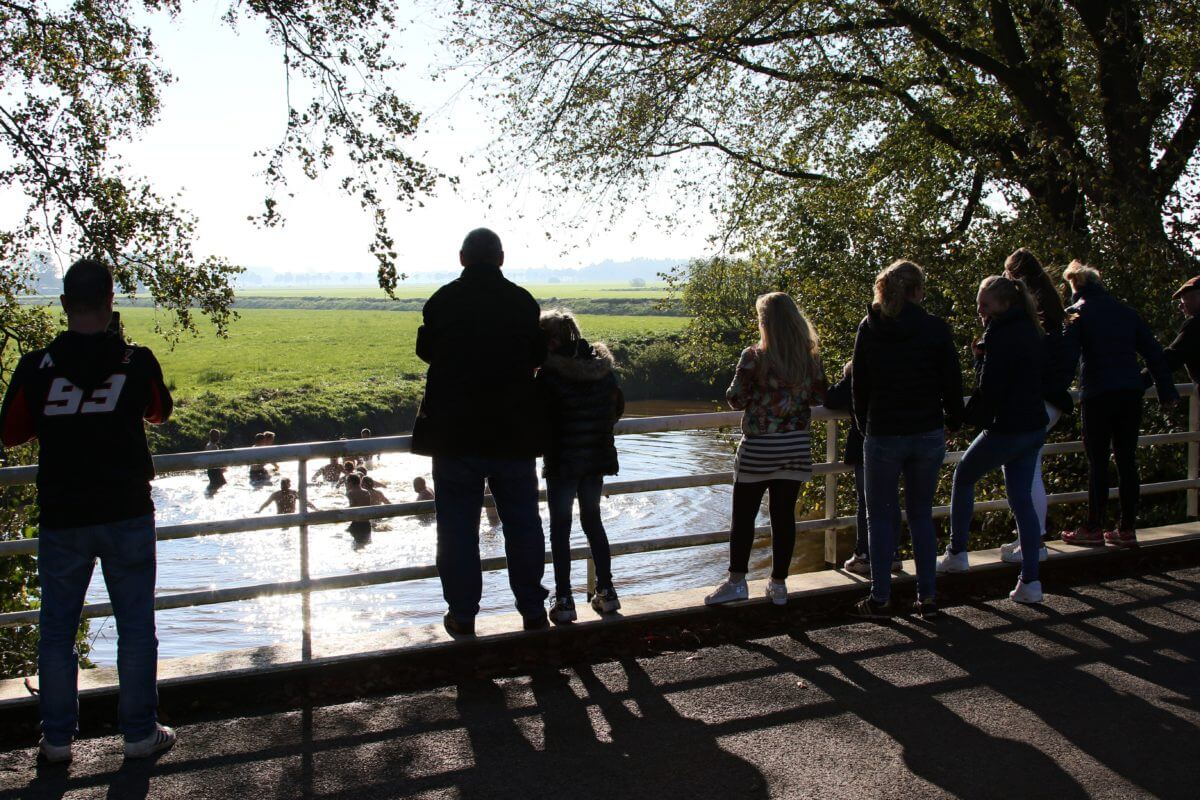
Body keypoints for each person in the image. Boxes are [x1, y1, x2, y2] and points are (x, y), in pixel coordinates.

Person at [0, 258, 176, 762]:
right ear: (110, 302)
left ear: (62, 305)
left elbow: (11, 433)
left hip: (63, 515)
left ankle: (57, 741)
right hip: (126, 512)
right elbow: (159, 413)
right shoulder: (135, 360)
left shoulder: (36, 366)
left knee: (56, 630)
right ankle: (139, 733)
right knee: (137, 627)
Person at [412, 227, 550, 636]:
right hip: (512, 433)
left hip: (454, 436)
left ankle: (463, 613)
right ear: (501, 259)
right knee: (523, 525)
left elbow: (426, 352)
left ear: (462, 259)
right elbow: (538, 356)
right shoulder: (522, 302)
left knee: (456, 529)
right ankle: (531, 610)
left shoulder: (442, 300)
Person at [850, 260, 963, 619]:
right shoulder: (935, 329)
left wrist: (864, 425)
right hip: (927, 431)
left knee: (881, 518)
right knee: (920, 515)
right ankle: (927, 598)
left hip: (883, 431)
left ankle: (880, 598)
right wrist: (954, 421)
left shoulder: (869, 328)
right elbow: (951, 381)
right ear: (917, 291)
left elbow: (859, 386)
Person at [705, 292, 825, 607]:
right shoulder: (809, 357)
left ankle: (736, 582)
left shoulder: (754, 356)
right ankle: (779, 584)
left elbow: (736, 398)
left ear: (765, 322)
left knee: (743, 518)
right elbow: (818, 396)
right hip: (795, 447)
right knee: (783, 516)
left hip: (759, 448)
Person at [936, 276, 1050, 603]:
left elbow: (990, 389)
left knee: (964, 475)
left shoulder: (1000, 334)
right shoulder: (1030, 330)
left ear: (1004, 304)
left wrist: (957, 421)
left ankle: (957, 552)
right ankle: (1030, 581)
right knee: (1021, 500)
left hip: (1008, 427)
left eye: (984, 305)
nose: (980, 311)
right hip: (1033, 426)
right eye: (978, 305)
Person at [1059, 261, 1178, 548]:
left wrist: (1055, 393)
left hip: (1098, 392)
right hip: (1129, 392)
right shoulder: (1126, 313)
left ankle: (1093, 525)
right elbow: (1154, 353)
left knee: (1097, 460)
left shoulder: (1077, 314)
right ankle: (1126, 528)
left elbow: (1067, 358)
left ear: (1074, 286)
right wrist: (1166, 390)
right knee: (1126, 460)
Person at [536, 310, 625, 623]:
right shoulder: (603, 370)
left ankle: (564, 601)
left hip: (562, 460)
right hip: (596, 457)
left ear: (553, 340)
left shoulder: (548, 375)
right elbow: (617, 408)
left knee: (560, 528)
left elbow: (539, 418)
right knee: (592, 521)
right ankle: (607, 592)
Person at [1000, 248, 1075, 562]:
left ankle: (1034, 544)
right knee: (1030, 472)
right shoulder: (1054, 307)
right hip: (1053, 400)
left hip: (1035, 402)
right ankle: (1030, 539)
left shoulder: (1030, 313)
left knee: (1025, 473)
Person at [823, 362, 903, 576]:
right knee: (891, 498)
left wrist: (848, 373)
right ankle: (893, 553)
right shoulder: (895, 371)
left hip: (867, 444)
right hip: (896, 441)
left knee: (865, 501)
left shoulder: (859, 373)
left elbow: (831, 399)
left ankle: (864, 554)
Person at [1147, 275, 1200, 387]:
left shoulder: (1195, 323)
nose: (1180, 306)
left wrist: (1137, 380)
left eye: (1184, 299)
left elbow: (1172, 358)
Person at [345, 473, 374, 543]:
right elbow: (368, 506)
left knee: (356, 545)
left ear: (351, 483)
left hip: (357, 523)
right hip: (367, 523)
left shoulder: (350, 493)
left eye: (347, 482)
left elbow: (352, 507)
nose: (346, 484)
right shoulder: (366, 492)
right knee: (366, 543)